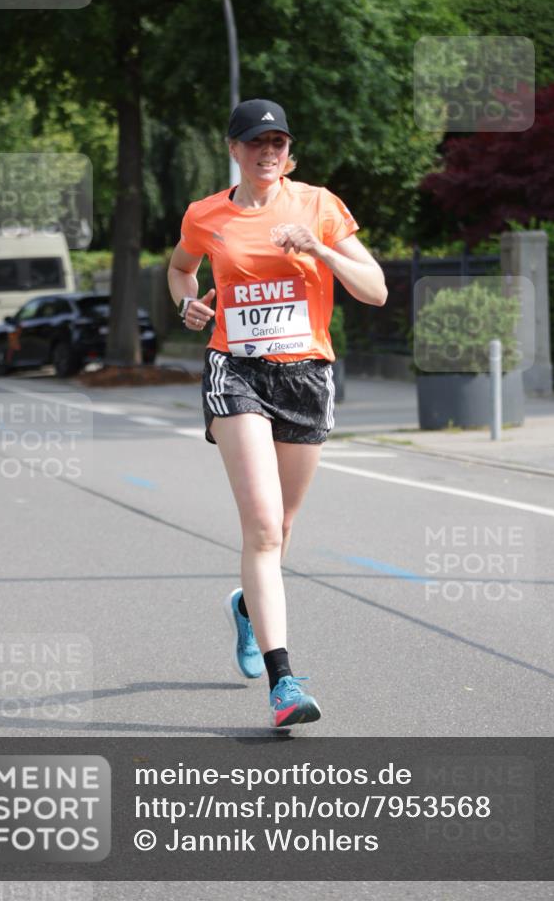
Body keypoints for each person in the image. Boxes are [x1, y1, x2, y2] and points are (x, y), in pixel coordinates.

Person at [168, 99, 387, 727]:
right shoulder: (206, 215)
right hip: (236, 370)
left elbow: (374, 290)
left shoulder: (318, 206)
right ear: (234, 148)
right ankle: (283, 682)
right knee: (262, 528)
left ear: (289, 153)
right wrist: (188, 303)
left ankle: (246, 605)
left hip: (306, 375)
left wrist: (318, 249)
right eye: (257, 142)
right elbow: (181, 269)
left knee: (282, 530)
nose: (269, 153)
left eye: (279, 143)